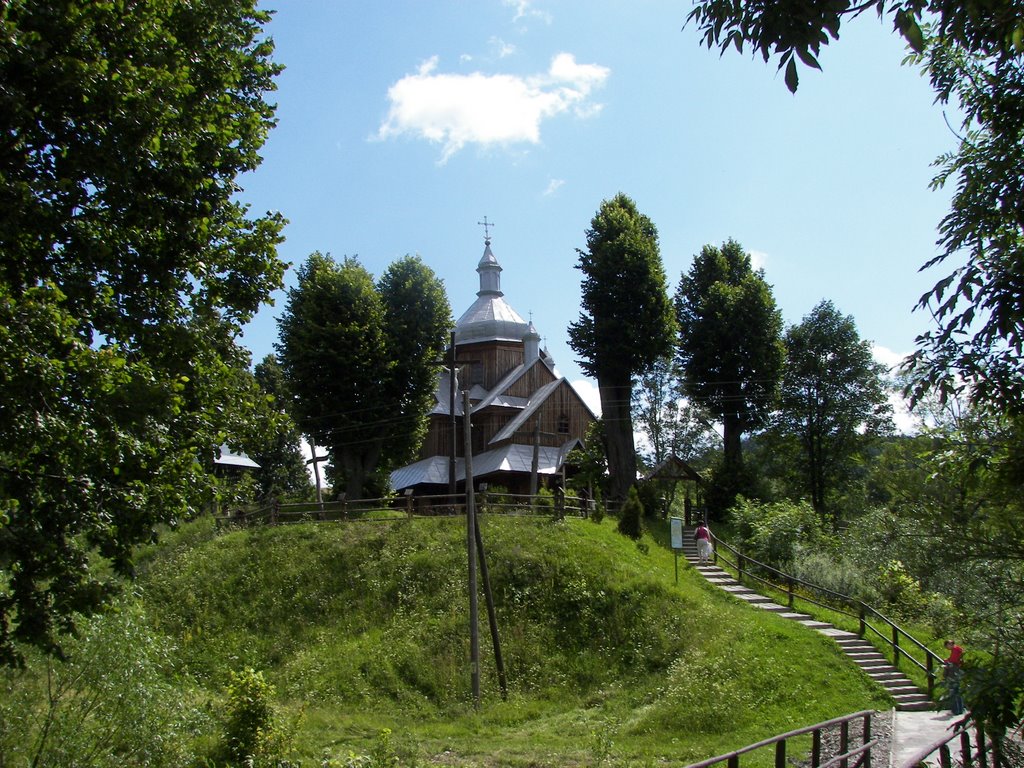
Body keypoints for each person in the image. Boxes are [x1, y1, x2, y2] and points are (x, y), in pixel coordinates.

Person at [943, 639, 965, 715]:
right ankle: (960, 709)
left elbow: (953, 660)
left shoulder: (955, 650)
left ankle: (955, 710)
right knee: (957, 690)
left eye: (947, 646)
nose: (947, 648)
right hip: (958, 671)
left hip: (954, 672)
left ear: (949, 644)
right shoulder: (958, 650)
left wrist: (946, 662)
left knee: (953, 690)